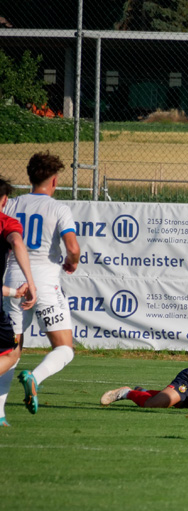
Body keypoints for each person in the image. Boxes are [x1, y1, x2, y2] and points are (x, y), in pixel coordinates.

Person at [2, 152, 80, 415]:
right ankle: (34, 377)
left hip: (14, 281)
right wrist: (72, 261)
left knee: (10, 351)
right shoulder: (58, 208)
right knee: (64, 348)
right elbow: (73, 247)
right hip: (45, 283)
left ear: (29, 177)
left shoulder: (11, 205)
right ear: (54, 181)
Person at [0, 177, 38, 427]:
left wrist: (13, 292)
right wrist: (30, 283)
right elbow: (16, 241)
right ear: (4, 200)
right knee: (12, 353)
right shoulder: (6, 222)